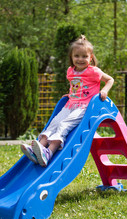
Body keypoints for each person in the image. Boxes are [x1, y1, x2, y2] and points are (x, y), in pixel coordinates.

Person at [21, 35, 114, 167]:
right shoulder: (70, 71)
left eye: (84, 56)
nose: (80, 59)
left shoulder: (94, 71)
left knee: (63, 125)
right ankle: (38, 148)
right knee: (54, 123)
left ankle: (49, 152)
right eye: (77, 56)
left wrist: (104, 91)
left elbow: (110, 79)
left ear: (90, 58)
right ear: (71, 57)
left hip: (84, 107)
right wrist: (71, 94)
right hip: (71, 104)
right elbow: (77, 85)